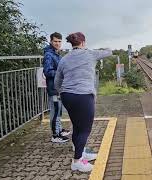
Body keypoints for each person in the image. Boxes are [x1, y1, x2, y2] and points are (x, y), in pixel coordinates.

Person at [54, 32, 112, 172]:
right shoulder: (90, 54)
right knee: (85, 129)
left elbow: (57, 81)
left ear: (72, 44)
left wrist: (61, 92)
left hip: (67, 96)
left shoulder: (64, 59)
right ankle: (77, 162)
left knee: (77, 126)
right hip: (83, 96)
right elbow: (109, 52)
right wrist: (105, 46)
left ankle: (81, 153)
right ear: (83, 43)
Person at [43, 32, 70, 143]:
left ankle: (59, 130)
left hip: (58, 87)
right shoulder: (49, 55)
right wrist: (61, 72)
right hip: (53, 88)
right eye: (55, 41)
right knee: (55, 111)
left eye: (59, 41)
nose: (58, 43)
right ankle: (55, 135)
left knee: (58, 110)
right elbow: (47, 72)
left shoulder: (56, 53)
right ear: (51, 41)